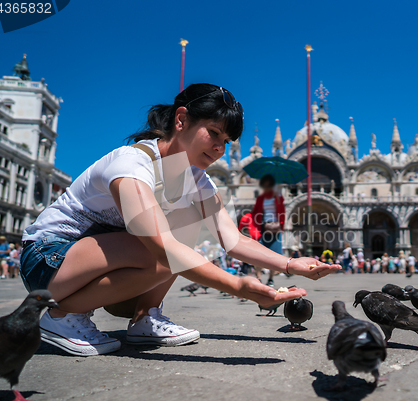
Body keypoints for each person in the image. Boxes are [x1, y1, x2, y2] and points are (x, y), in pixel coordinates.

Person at [19, 84, 341, 357]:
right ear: (182, 119)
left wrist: (289, 264)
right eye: (213, 133)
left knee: (184, 224)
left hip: (91, 266)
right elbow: (162, 249)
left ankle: (145, 318)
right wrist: (239, 286)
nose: (219, 148)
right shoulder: (132, 164)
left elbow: (233, 239)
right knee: (165, 244)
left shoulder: (197, 181)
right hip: (47, 260)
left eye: (225, 142)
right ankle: (60, 316)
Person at [251, 174, 285, 286]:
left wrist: (278, 198)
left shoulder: (278, 197)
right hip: (262, 228)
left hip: (276, 228)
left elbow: (282, 211)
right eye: (264, 186)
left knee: (274, 255)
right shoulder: (261, 198)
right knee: (258, 255)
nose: (266, 188)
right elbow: (255, 211)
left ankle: (271, 279)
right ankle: (258, 277)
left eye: (268, 185)